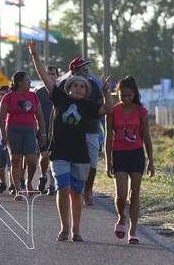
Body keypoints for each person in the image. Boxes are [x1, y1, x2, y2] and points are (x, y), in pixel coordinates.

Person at [28, 43, 113, 242]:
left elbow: (108, 109)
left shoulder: (89, 106)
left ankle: (76, 229)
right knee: (62, 188)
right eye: (75, 84)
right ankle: (64, 228)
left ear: (86, 90)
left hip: (80, 155)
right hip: (60, 153)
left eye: (82, 86)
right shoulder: (60, 98)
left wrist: (106, 92)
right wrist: (34, 55)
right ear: (69, 87)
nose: (78, 88)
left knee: (76, 193)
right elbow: (44, 77)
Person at [105, 76, 155, 244]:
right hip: (119, 155)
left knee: (135, 195)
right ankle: (121, 217)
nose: (126, 99)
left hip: (136, 155)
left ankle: (133, 231)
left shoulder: (141, 112)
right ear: (117, 94)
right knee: (121, 195)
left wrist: (151, 161)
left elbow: (146, 137)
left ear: (134, 94)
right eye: (122, 95)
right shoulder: (113, 111)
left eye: (129, 96)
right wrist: (107, 162)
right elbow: (108, 137)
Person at [58, 57, 103, 206]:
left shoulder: (94, 86)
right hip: (68, 131)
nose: (86, 69)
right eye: (83, 66)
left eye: (87, 66)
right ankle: (71, 189)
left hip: (91, 129)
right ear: (74, 70)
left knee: (92, 163)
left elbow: (100, 106)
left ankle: (88, 191)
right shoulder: (64, 85)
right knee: (68, 161)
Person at [0, 72, 46, 200]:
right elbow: (2, 118)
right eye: (27, 80)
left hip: (29, 131)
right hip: (13, 131)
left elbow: (40, 117)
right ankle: (18, 189)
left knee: (32, 160)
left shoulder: (33, 96)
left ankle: (28, 181)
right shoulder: (8, 97)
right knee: (15, 159)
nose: (30, 83)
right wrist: (3, 135)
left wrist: (43, 133)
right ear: (19, 82)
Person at [35, 65, 59, 195]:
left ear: (57, 76)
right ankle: (43, 176)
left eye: (53, 74)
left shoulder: (62, 91)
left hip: (57, 130)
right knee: (44, 156)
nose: (50, 76)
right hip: (43, 130)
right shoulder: (39, 92)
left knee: (54, 157)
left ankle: (51, 185)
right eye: (48, 73)